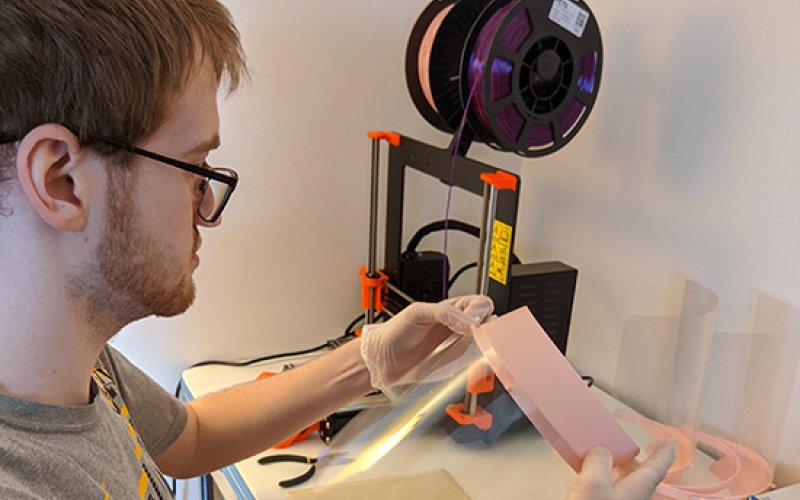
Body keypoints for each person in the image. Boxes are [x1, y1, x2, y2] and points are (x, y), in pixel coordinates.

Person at [0, 1, 675, 498]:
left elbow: (189, 439)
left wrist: (369, 359)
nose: (208, 210)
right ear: (61, 178)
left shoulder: (70, 364)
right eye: (196, 169)